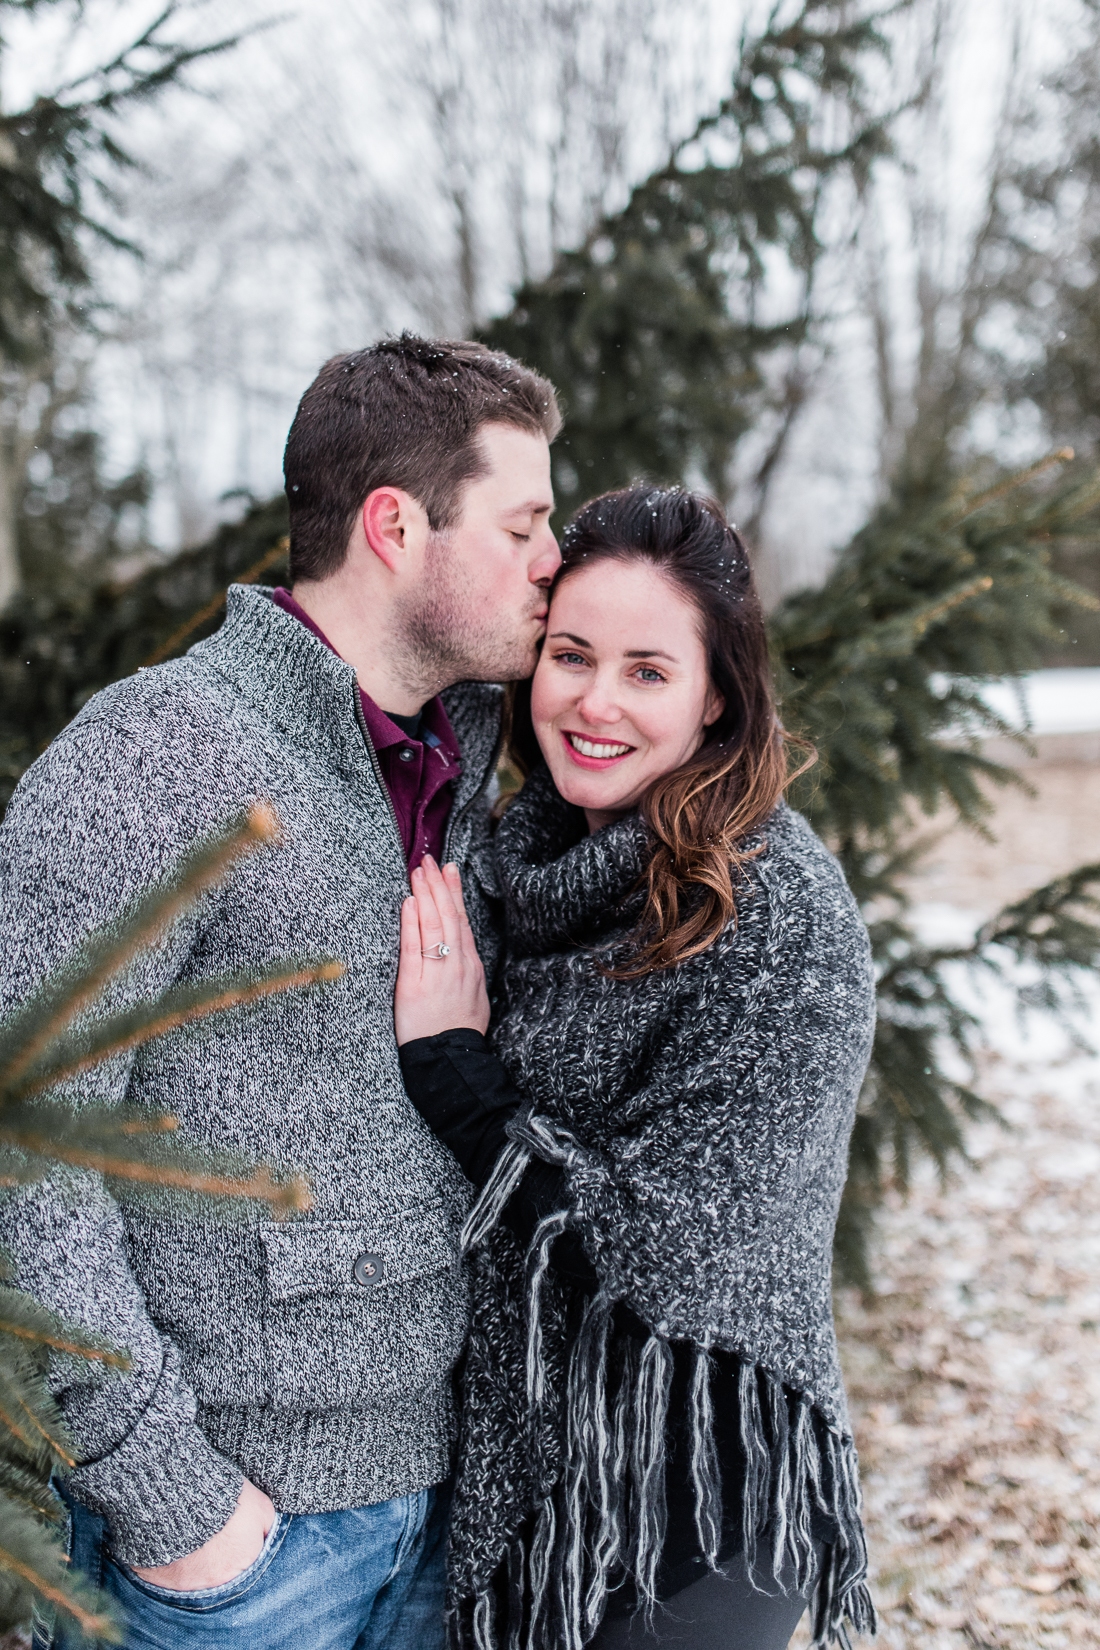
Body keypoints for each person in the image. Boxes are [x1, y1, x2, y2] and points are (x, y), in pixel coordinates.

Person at [0, 334, 561, 1650]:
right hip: (229, 1561)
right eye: (524, 522)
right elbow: (26, 1142)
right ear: (395, 526)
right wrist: (175, 1501)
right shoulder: (155, 757)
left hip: (431, 1515)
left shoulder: (450, 759)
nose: (552, 560)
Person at [394, 486, 877, 1650]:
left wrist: (458, 1075)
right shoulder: (518, 861)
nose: (593, 702)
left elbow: (679, 1241)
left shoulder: (775, 915)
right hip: (528, 1486)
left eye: (647, 672)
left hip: (688, 1510)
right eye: (570, 655)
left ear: (717, 697)